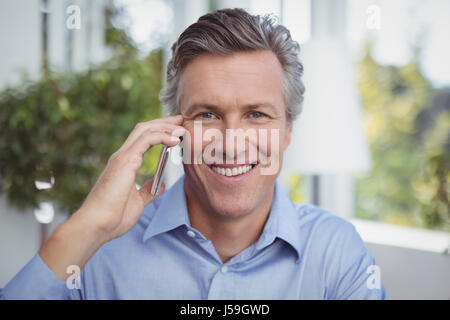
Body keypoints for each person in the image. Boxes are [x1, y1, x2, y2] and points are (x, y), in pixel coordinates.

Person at [1, 8, 386, 299]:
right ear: (173, 129)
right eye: (207, 114)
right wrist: (87, 227)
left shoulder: (335, 253)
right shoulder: (99, 251)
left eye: (256, 114)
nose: (232, 141)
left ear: (287, 131)